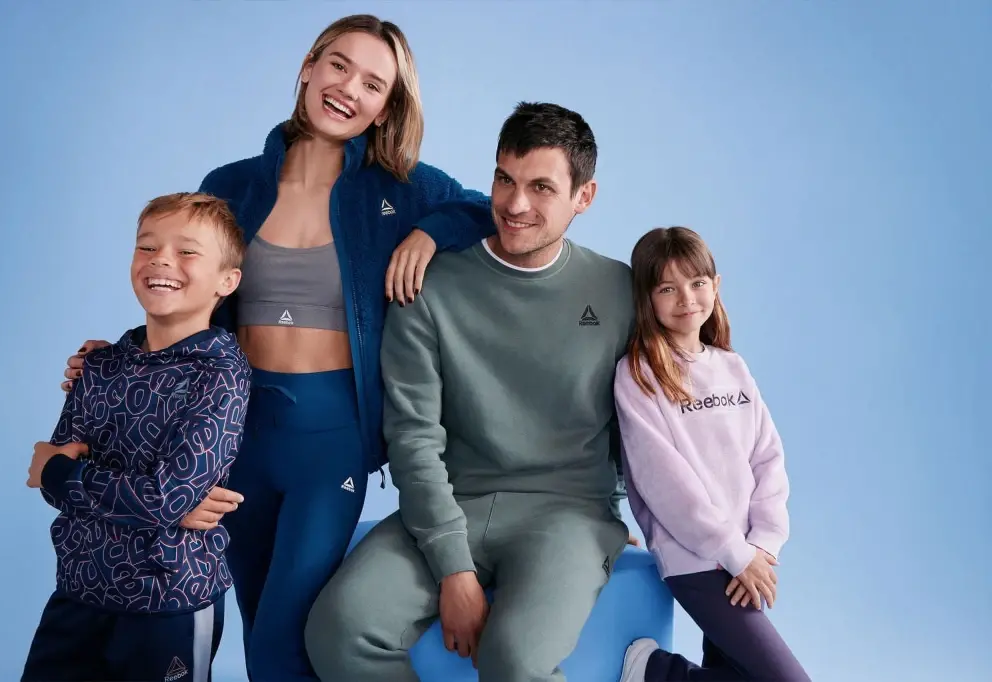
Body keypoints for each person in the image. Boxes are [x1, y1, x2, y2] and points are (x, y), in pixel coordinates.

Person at [58, 14, 496, 681]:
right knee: (258, 625)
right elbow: (186, 289)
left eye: (373, 84)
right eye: (339, 65)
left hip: (332, 446)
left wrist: (428, 233)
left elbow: (487, 210)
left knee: (283, 638)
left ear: (384, 109)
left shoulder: (400, 190)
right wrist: (122, 361)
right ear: (309, 67)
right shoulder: (232, 185)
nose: (348, 88)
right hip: (234, 437)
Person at [304, 101, 638, 682]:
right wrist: (453, 568)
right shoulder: (427, 287)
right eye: (505, 179)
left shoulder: (618, 290)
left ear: (583, 196)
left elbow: (661, 414)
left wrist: (646, 522)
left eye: (541, 187)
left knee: (514, 659)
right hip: (454, 502)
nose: (515, 204)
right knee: (339, 628)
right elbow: (412, 436)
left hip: (570, 514)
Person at [22, 193, 252, 682]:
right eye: (147, 247)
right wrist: (66, 476)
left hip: (168, 600)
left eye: (187, 251)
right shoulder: (99, 365)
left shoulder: (220, 374)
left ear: (227, 281)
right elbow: (51, 488)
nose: (161, 260)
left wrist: (61, 471)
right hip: (78, 591)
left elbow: (158, 498)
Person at [613, 226, 810, 681]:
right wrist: (733, 552)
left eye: (697, 283)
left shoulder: (731, 366)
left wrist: (763, 544)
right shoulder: (639, 374)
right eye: (667, 288)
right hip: (696, 559)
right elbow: (664, 482)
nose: (686, 298)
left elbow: (767, 459)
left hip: (747, 558)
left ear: (716, 286)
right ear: (646, 298)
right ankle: (655, 673)